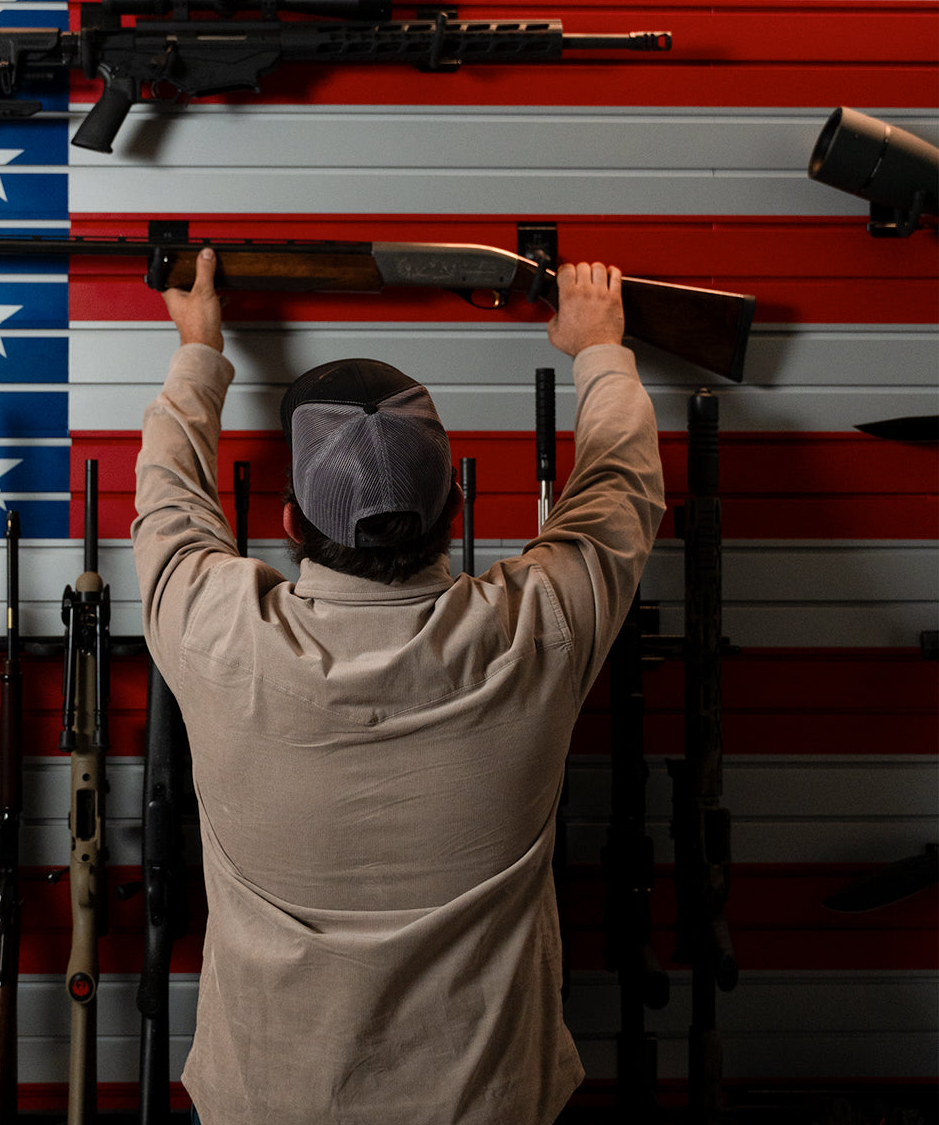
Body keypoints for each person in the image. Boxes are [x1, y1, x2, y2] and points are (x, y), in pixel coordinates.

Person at [131, 250, 665, 1125]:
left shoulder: (216, 631)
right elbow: (621, 488)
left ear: (288, 524)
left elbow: (168, 497)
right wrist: (598, 345)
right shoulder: (540, 628)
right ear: (456, 505)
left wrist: (200, 347)